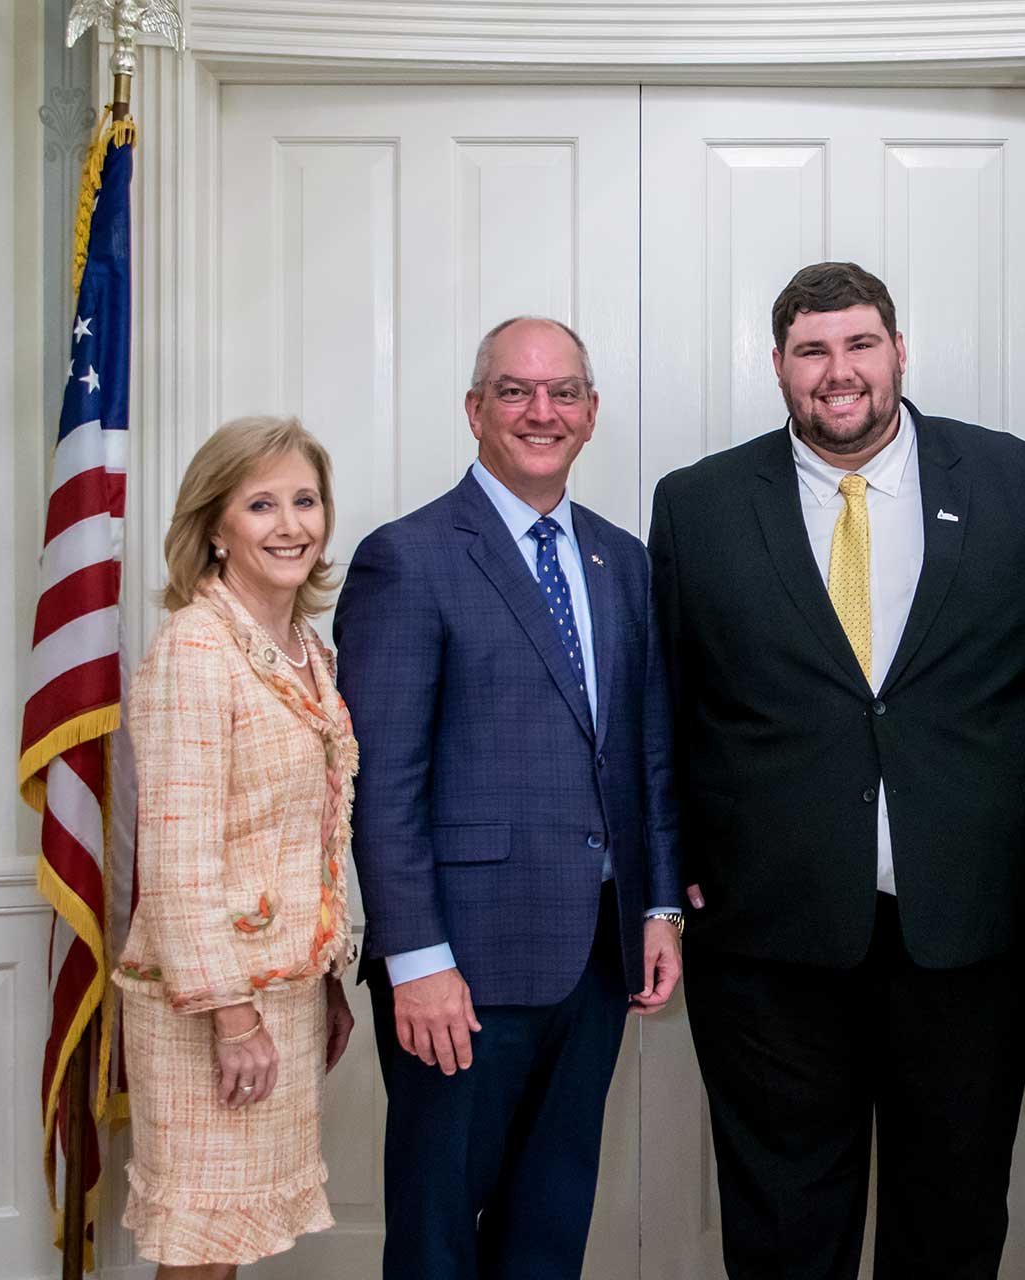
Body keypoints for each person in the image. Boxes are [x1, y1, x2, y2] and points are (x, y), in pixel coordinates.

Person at [649, 261, 1025, 1280]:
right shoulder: (701, 504)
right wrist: (664, 875)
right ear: (777, 366)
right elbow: (661, 709)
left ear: (899, 349)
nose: (837, 370)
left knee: (952, 1211)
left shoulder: (1018, 482)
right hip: (767, 938)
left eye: (858, 343)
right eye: (812, 349)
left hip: (968, 926)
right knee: (784, 1223)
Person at [333, 316, 682, 1280]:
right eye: (517, 391)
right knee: (441, 1233)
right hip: (463, 970)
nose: (542, 412)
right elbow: (382, 784)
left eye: (564, 392)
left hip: (597, 958)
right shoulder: (406, 558)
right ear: (475, 409)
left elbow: (644, 752)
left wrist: (657, 904)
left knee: (549, 1225)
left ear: (592, 413)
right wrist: (417, 960)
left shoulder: (621, 558)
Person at [114, 415, 359, 1277]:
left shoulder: (304, 651)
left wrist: (324, 979)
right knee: (201, 1249)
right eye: (262, 504)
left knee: (240, 1242)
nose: (292, 524)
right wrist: (232, 1016)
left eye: (305, 499)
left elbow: (306, 836)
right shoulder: (195, 649)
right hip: (210, 1006)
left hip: (283, 990)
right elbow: (178, 863)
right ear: (215, 527)